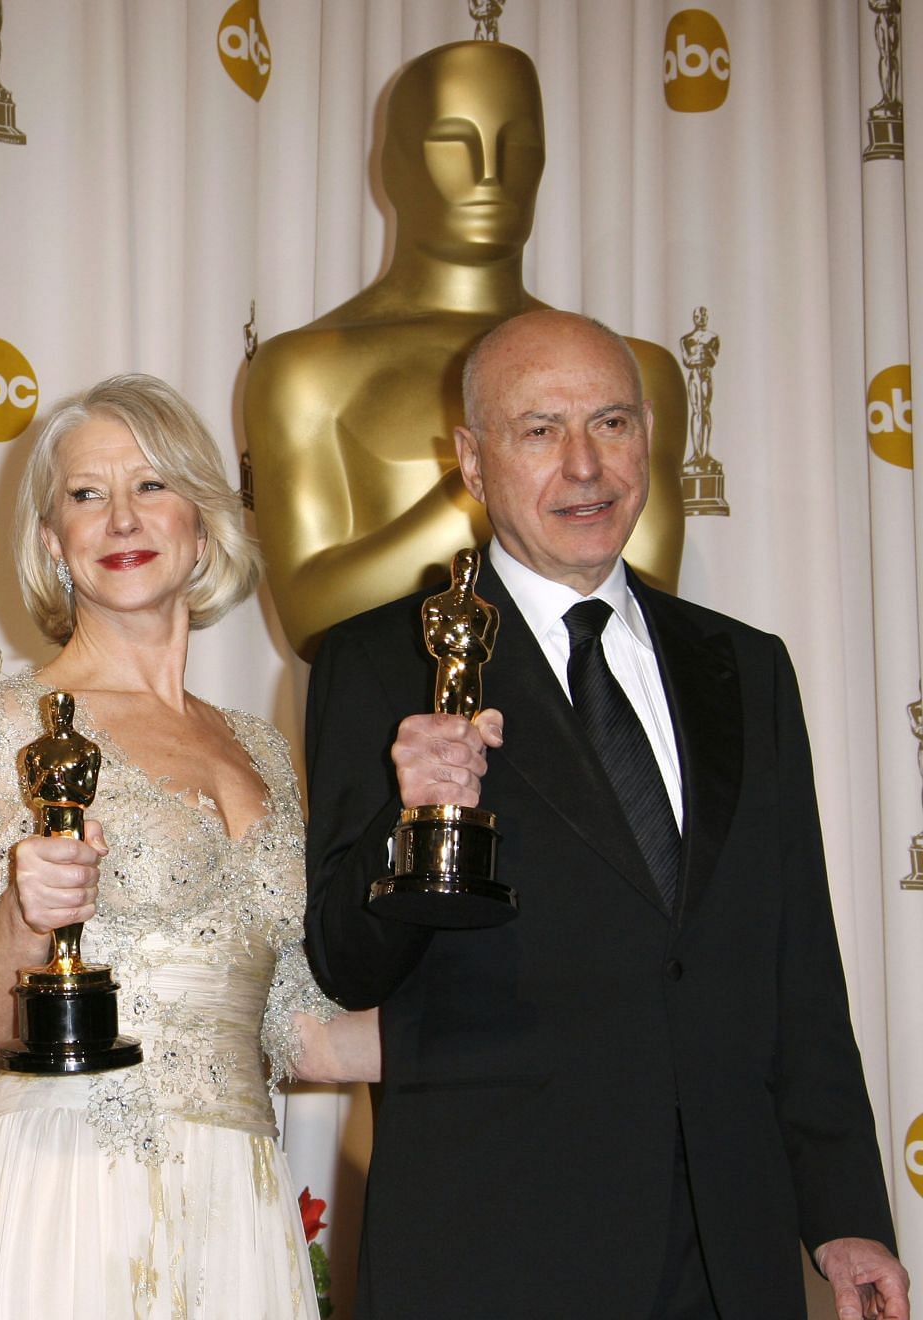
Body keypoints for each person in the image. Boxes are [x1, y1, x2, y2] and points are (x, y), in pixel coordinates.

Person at [304, 310, 908, 1319]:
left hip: (730, 1247)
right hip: (497, 1244)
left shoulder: (746, 667)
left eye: (612, 422)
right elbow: (345, 960)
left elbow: (796, 959)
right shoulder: (381, 661)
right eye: (540, 430)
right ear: (472, 458)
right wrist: (410, 821)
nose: (584, 465)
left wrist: (844, 1212)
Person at [0, 374, 380, 1319]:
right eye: (86, 495)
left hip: (242, 1198)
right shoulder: (7, 725)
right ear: (53, 541)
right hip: (74, 1188)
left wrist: (525, 1006)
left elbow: (303, 1031)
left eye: (152, 485)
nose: (121, 519)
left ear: (204, 519)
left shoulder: (259, 744)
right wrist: (23, 916)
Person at [242, 40, 685, 658]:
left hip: (595, 719)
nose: (489, 171)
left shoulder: (636, 369)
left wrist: (504, 476)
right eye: (454, 141)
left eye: (518, 145)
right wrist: (488, 482)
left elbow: (645, 587)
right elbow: (317, 618)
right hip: (395, 729)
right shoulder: (307, 370)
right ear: (392, 165)